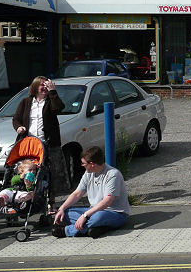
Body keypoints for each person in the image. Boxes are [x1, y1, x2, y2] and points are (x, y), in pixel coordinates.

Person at [12, 76, 70, 213]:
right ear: (35, 87)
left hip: (48, 143)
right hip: (29, 144)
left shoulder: (51, 101)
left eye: (46, 85)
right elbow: (16, 119)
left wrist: (53, 92)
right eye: (41, 85)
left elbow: (58, 109)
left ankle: (52, 202)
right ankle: (27, 198)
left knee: (51, 173)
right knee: (29, 172)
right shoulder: (26, 102)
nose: (44, 88)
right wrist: (19, 127)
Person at [52, 146, 129, 238]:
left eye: (83, 163)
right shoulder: (88, 173)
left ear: (92, 164)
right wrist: (61, 209)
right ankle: (97, 228)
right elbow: (77, 193)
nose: (82, 165)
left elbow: (107, 201)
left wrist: (85, 216)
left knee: (98, 217)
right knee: (65, 214)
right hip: (93, 211)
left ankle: (68, 231)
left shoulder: (113, 174)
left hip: (115, 213)